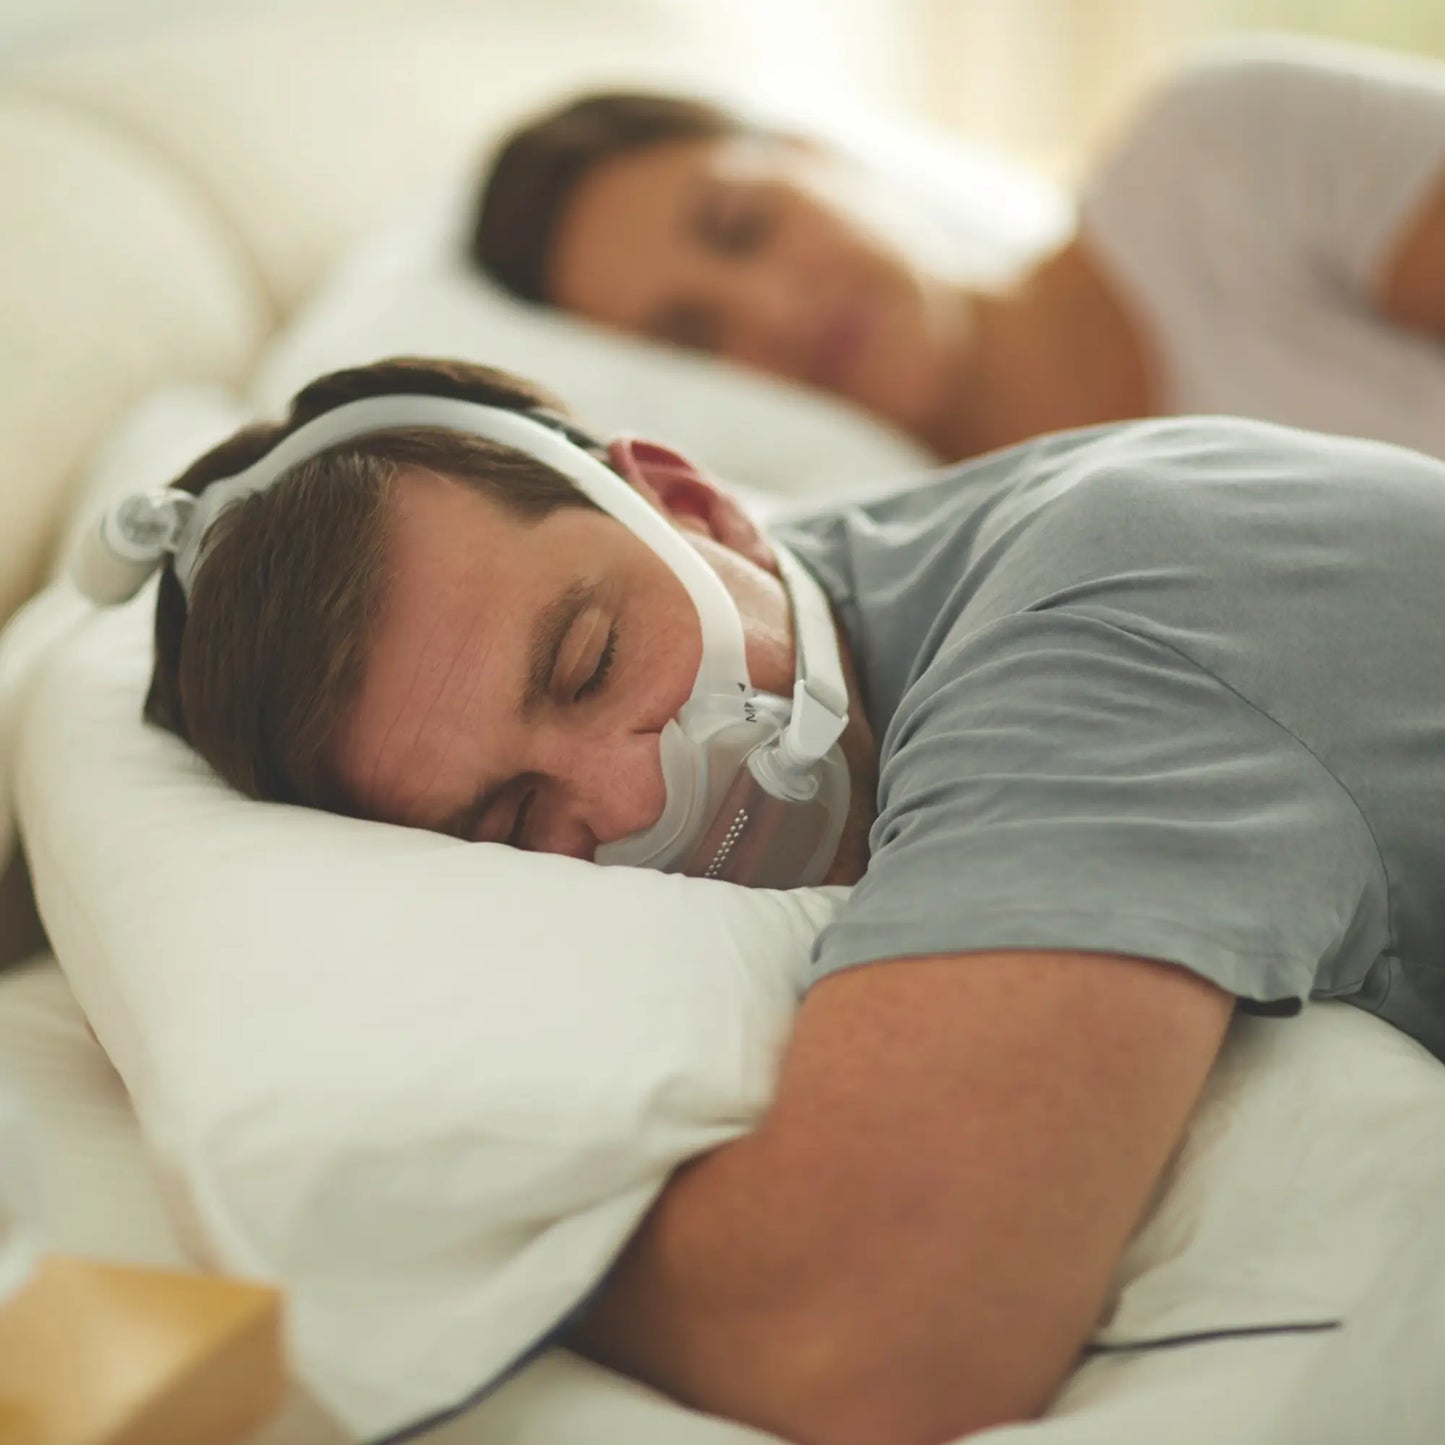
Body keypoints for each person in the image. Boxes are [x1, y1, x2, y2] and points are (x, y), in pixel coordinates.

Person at [133, 353, 1445, 1445]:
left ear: (693, 505)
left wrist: (412, 1253)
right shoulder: (855, 589)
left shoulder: (1103, 605)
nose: (638, 794)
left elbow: (864, 1335)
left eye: (590, 663)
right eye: (516, 821)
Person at [472, 38, 1445, 465]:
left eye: (743, 225)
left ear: (815, 157)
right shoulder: (964, 625)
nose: (772, 314)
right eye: (691, 338)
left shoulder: (1223, 153)